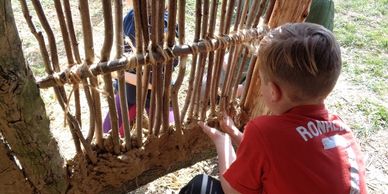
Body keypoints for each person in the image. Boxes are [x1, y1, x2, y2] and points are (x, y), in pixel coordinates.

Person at [180, 23, 367, 194]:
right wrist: (236, 135)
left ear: (273, 92)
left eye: (261, 81)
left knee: (200, 186)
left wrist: (223, 142)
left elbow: (232, 191)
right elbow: (281, 156)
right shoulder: (340, 127)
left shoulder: (264, 131)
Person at [103, 0, 175, 137]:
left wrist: (117, 73)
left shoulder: (159, 27)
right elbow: (122, 52)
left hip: (153, 100)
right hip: (128, 93)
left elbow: (156, 82)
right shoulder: (131, 16)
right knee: (107, 135)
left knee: (161, 143)